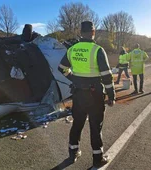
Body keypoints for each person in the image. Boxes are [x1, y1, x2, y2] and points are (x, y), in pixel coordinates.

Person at [58, 21, 116, 169]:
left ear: (80, 32)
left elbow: (62, 68)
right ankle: (98, 159)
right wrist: (111, 95)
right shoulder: (97, 50)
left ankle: (73, 153)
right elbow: (107, 76)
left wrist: (73, 78)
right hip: (95, 95)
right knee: (96, 126)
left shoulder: (72, 49)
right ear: (93, 32)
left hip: (78, 94)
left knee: (77, 123)